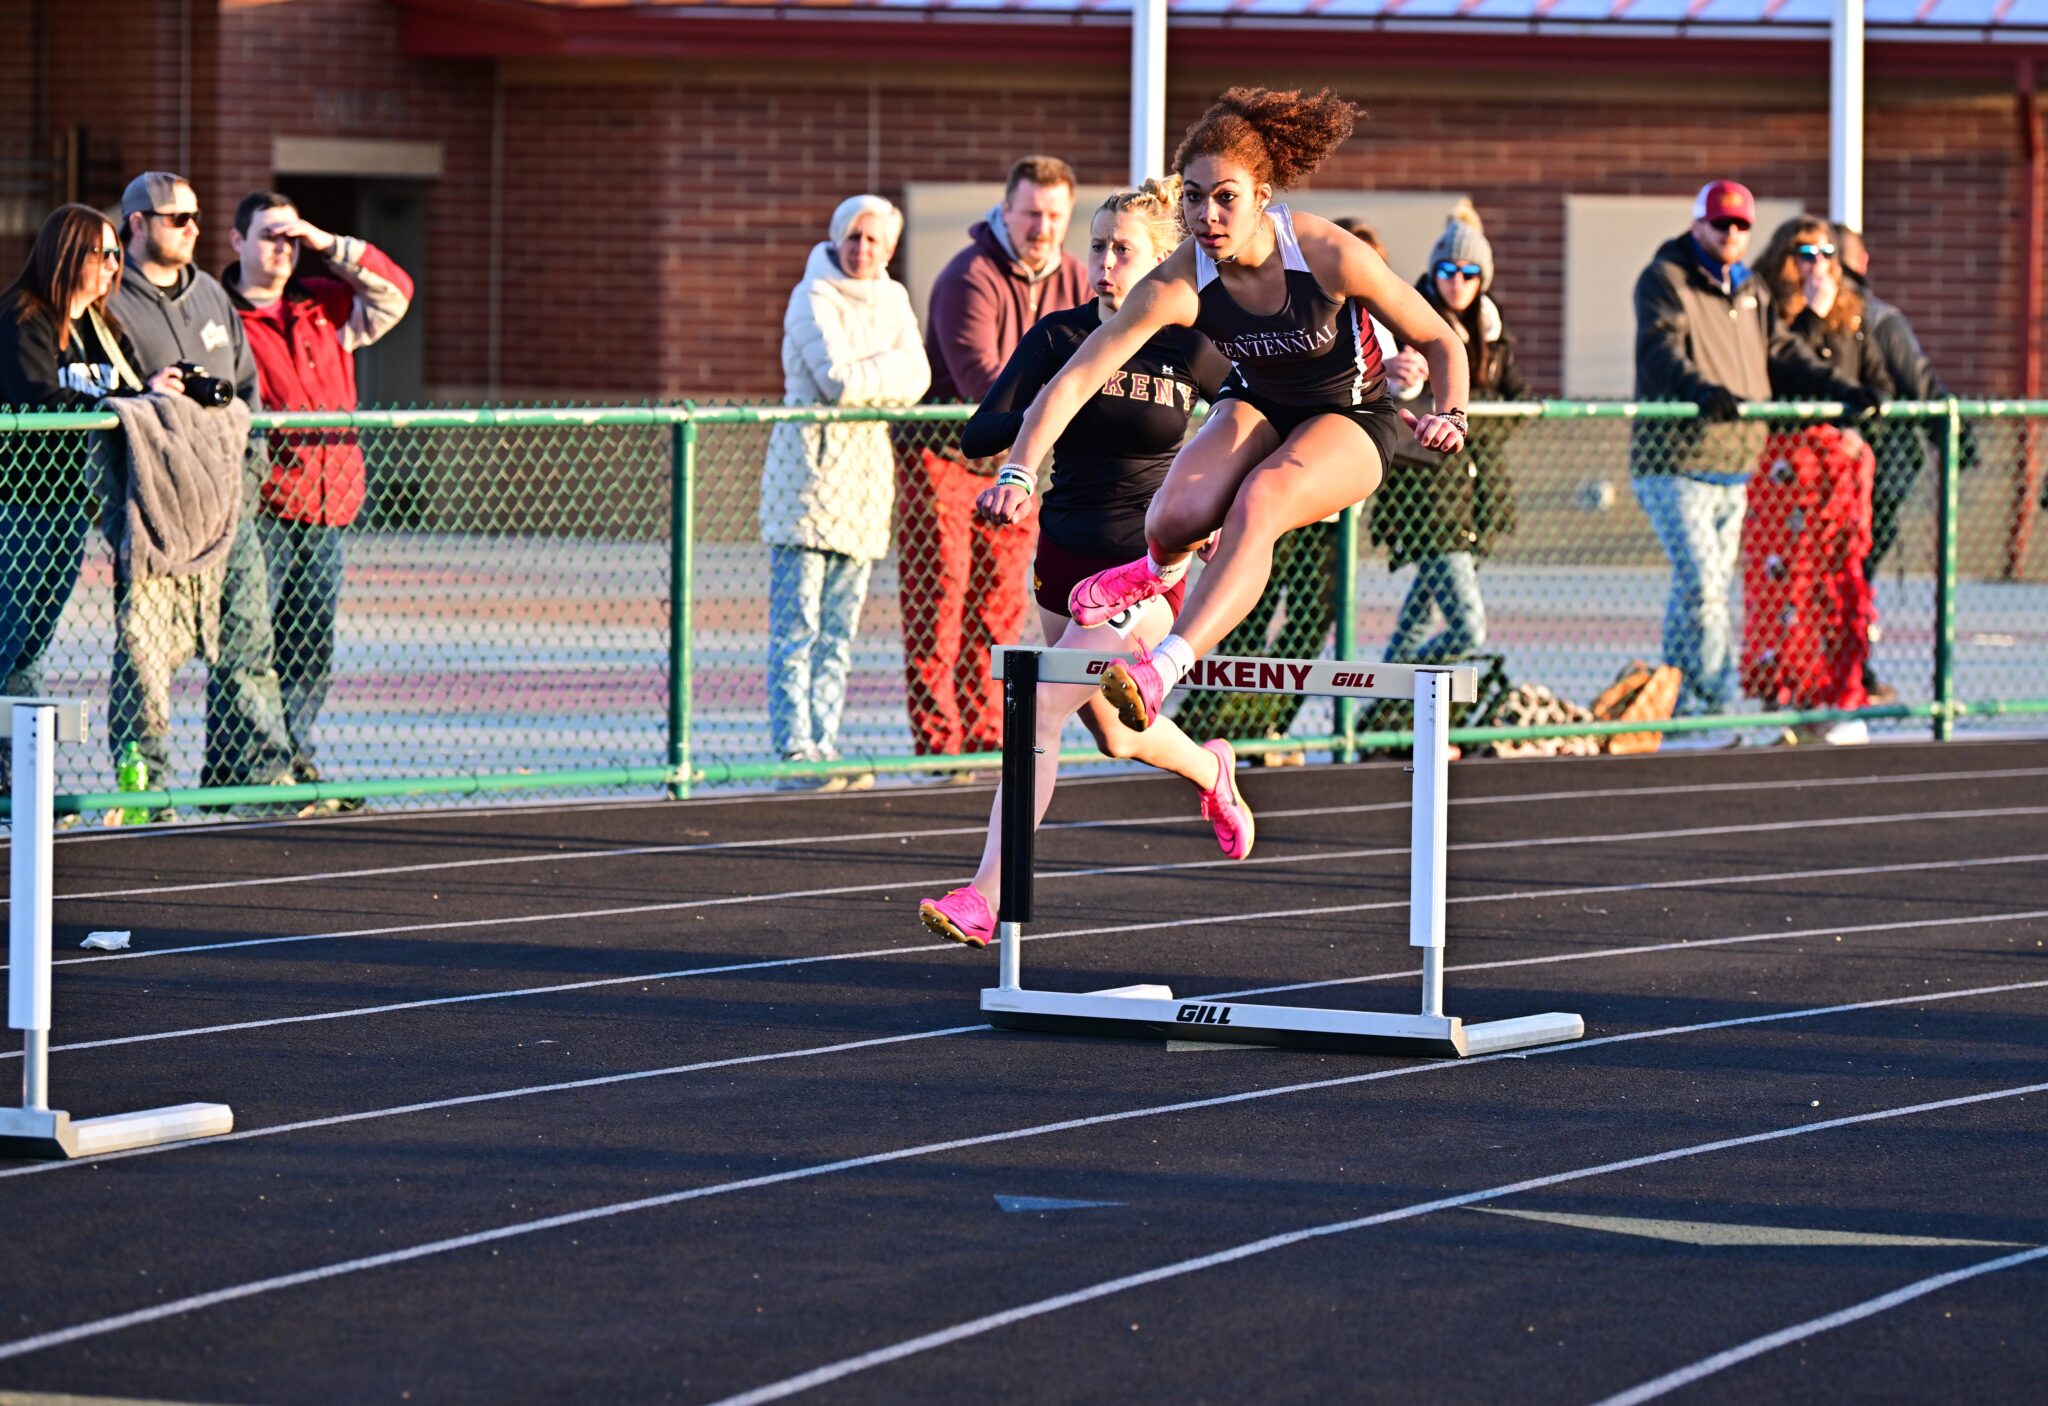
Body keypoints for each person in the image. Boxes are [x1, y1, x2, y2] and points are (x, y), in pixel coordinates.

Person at [990, 88, 1472, 736]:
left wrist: (1451, 414)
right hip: (1260, 401)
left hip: (1351, 414)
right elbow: (1078, 376)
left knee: (1260, 500)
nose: (1207, 215)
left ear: (1261, 197)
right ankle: (1152, 571)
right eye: (1193, 197)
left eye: (1225, 198)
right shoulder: (1180, 281)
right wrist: (1019, 471)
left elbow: (1442, 339)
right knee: (1173, 516)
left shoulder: (1324, 252)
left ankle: (1163, 668)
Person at [917, 180, 1244, 948]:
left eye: (1122, 250)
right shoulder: (1062, 337)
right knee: (1117, 737)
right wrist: (1040, 415)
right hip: (1062, 563)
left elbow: (1251, 427)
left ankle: (984, 896)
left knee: (1039, 708)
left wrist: (1218, 509)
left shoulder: (1191, 347)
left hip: (1144, 570)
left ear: (1161, 262)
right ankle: (1212, 771)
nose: (1103, 263)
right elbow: (978, 432)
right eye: (1096, 247)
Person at [1629, 179, 1881, 717]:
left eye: (1741, 225)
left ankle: (1676, 698)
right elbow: (1660, 350)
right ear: (1698, 224)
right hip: (1675, 462)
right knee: (1704, 586)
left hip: (1735, 462)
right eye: (1721, 223)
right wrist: (1702, 391)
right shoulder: (1666, 279)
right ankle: (1715, 702)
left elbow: (1784, 352)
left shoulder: (1750, 289)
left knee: (1701, 590)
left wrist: (1843, 389)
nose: (1731, 233)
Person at [1171, 215, 1396, 763]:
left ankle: (1270, 723)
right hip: (1268, 486)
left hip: (1327, 500)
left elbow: (1397, 389)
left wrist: (1436, 407)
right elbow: (1239, 381)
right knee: (1248, 594)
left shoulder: (1378, 326)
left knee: (1311, 618)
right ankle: (1207, 714)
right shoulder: (1284, 292)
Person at [105, 171, 299, 798]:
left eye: (196, 216)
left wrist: (247, 477)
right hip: (153, 514)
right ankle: (144, 790)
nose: (193, 228)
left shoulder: (212, 295)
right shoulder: (110, 300)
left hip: (225, 511)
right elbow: (99, 401)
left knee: (249, 647)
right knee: (144, 657)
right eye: (177, 218)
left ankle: (258, 779)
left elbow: (246, 394)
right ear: (139, 224)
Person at [224, 188, 414, 801]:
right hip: (264, 509)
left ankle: (293, 755)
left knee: (308, 646)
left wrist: (327, 243)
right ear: (237, 241)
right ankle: (242, 768)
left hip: (328, 507)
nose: (282, 249)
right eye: (268, 236)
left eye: (290, 237)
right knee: (250, 644)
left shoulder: (322, 306)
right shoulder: (222, 320)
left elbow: (395, 293)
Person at [899, 156, 1089, 764]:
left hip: (1021, 465)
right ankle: (940, 748)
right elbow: (983, 383)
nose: (1043, 227)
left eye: (1055, 215)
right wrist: (1065, 399)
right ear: (1005, 210)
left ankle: (986, 739)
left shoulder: (1078, 278)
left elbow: (1101, 363)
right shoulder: (968, 276)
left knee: (1000, 608)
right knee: (939, 605)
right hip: (945, 458)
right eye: (1031, 212)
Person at [0, 205, 177, 789]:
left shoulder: (101, 330)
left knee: (32, 643)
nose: (113, 266)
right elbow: (38, 400)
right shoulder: (22, 318)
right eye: (102, 254)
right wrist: (120, 403)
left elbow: (128, 395)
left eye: (117, 255)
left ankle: (18, 782)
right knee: (8, 636)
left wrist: (155, 390)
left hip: (71, 503)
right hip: (17, 503)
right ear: (67, 254)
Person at [759, 194, 929, 790]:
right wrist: (885, 373)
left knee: (838, 632)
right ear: (837, 237)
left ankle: (825, 745)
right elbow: (836, 382)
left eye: (874, 239)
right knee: (797, 627)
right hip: (804, 481)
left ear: (890, 248)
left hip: (864, 485)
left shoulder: (895, 298)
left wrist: (871, 377)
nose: (863, 248)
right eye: (854, 236)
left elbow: (920, 377)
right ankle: (793, 751)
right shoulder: (810, 296)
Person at [1373, 200, 1532, 663]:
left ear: (1483, 279)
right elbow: (1390, 400)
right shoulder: (1410, 319)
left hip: (1476, 495)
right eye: (1447, 270)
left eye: (1468, 272)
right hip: (1427, 496)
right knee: (1468, 628)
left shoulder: (1491, 329)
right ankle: (1403, 691)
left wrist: (1466, 425)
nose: (1457, 282)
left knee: (1418, 619)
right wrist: (1407, 389)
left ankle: (1386, 702)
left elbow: (1519, 401)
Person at [1837, 226, 1962, 703]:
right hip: (1875, 469)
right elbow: (1919, 380)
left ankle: (1848, 669)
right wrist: (1957, 440)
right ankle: (1850, 672)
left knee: (1843, 572)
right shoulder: (1878, 319)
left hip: (1854, 467)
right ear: (1863, 261)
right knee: (1854, 573)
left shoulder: (1859, 318)